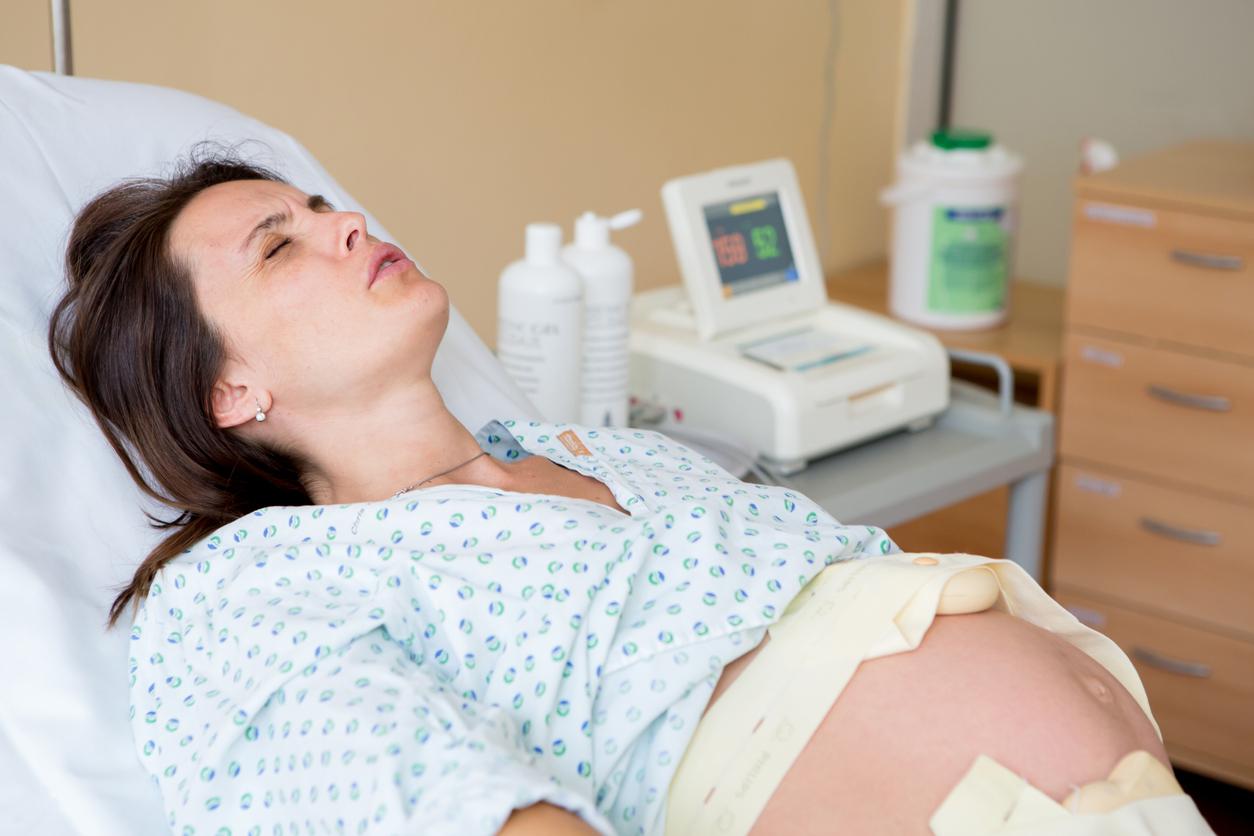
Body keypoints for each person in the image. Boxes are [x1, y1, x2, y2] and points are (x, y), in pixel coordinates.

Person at [46, 147, 1204, 836]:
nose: (346, 221)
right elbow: (420, 799)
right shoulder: (253, 586)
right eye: (279, 245)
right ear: (229, 390)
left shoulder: (602, 452)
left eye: (318, 206)